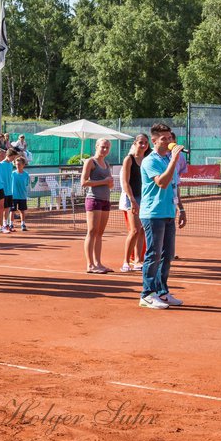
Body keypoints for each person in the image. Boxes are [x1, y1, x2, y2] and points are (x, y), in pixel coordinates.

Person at [138, 124, 188, 309]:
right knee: (154, 255)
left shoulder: (168, 159)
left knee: (167, 256)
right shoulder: (150, 161)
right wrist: (175, 159)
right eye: (164, 139)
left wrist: (181, 209)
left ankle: (162, 292)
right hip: (153, 214)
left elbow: (175, 186)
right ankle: (147, 294)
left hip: (169, 212)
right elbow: (162, 183)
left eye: (170, 138)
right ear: (154, 141)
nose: (168, 142)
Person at [81, 138, 114, 273]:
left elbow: (109, 183)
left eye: (107, 147)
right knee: (92, 231)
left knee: (100, 233)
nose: (105, 149)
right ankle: (90, 265)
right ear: (96, 146)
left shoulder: (106, 163)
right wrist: (103, 181)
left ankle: (98, 263)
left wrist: (109, 183)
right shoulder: (90, 161)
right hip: (93, 199)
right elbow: (83, 182)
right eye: (102, 147)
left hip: (105, 200)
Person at [119, 133, 149, 272]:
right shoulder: (129, 159)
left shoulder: (148, 159)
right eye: (141, 142)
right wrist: (132, 200)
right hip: (131, 198)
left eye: (145, 143)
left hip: (145, 198)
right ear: (135, 143)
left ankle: (138, 260)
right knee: (134, 230)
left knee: (142, 230)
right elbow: (125, 182)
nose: (143, 145)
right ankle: (125, 261)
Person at [10, 153, 31, 232]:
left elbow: (26, 184)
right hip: (13, 196)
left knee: (22, 211)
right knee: (12, 211)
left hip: (22, 196)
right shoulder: (12, 174)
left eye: (19, 164)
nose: (17, 165)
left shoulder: (26, 175)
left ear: (23, 165)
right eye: (16, 164)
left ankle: (23, 224)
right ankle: (11, 224)